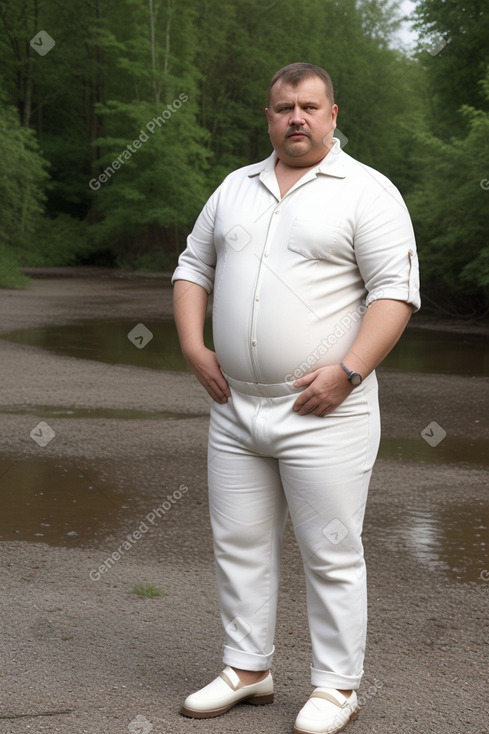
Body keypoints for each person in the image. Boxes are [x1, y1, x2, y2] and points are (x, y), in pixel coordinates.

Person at [172, 62, 420, 734]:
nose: (296, 119)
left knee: (331, 549)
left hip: (327, 406)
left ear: (332, 115)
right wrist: (194, 347)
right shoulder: (234, 189)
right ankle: (247, 669)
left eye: (309, 107)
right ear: (268, 117)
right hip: (234, 406)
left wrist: (349, 370)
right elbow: (193, 266)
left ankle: (337, 687)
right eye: (283, 108)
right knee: (239, 541)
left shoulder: (365, 192)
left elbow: (393, 293)